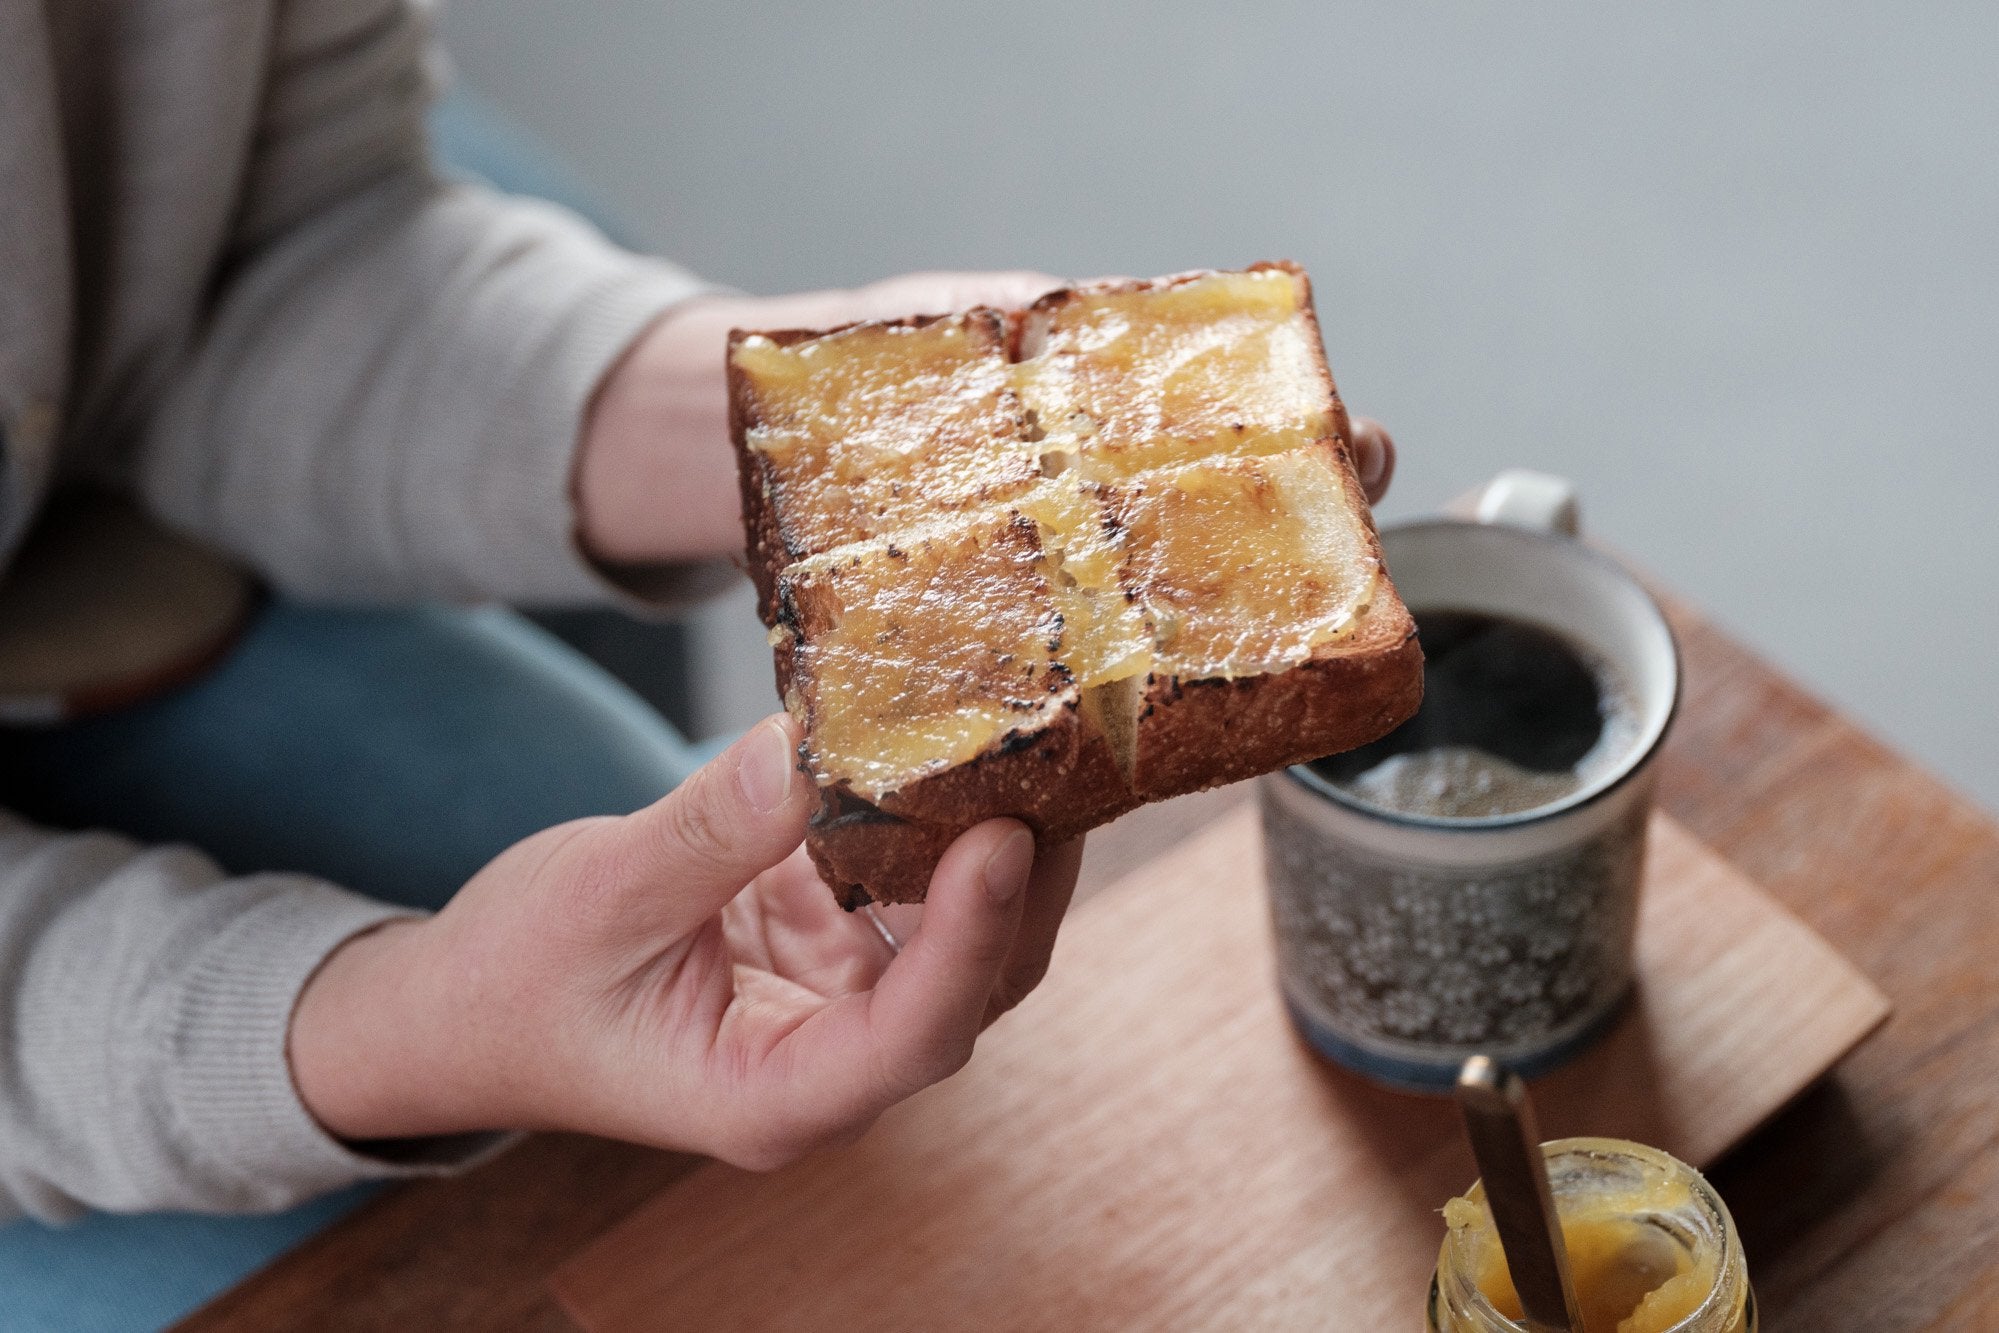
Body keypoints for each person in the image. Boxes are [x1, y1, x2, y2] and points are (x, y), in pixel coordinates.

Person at [0, 0, 1396, 1311]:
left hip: (75, 506)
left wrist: (805, 433)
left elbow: (269, 246)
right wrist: (400, 1023)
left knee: (693, 925)